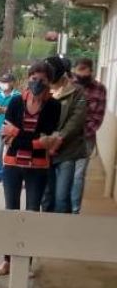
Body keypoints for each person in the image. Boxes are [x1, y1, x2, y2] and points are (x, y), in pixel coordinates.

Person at [0, 61, 61, 276]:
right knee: (10, 212)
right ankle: (7, 261)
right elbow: (6, 136)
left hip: (38, 167)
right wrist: (36, 142)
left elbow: (47, 138)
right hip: (12, 165)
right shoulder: (15, 102)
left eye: (42, 79)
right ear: (28, 78)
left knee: (31, 214)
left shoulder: (53, 106)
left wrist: (19, 135)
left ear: (50, 82)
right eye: (33, 78)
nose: (37, 82)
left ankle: (27, 263)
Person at [41, 56, 87, 214]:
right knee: (46, 196)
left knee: (61, 197)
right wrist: (46, 141)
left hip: (67, 151)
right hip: (44, 150)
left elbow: (76, 120)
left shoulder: (76, 91)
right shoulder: (41, 90)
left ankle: (63, 226)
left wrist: (59, 139)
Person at [71, 57, 108, 213]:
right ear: (74, 70)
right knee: (64, 173)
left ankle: (74, 210)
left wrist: (82, 133)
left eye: (85, 70)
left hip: (86, 138)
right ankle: (61, 208)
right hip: (65, 138)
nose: (82, 74)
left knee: (78, 175)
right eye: (79, 70)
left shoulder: (99, 89)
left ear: (91, 71)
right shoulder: (69, 85)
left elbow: (97, 117)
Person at [0, 72, 19, 184]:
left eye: (6, 82)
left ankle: (9, 175)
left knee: (10, 153)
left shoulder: (17, 96)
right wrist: (5, 109)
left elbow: (15, 111)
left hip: (10, 128)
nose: (3, 84)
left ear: (12, 83)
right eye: (2, 82)